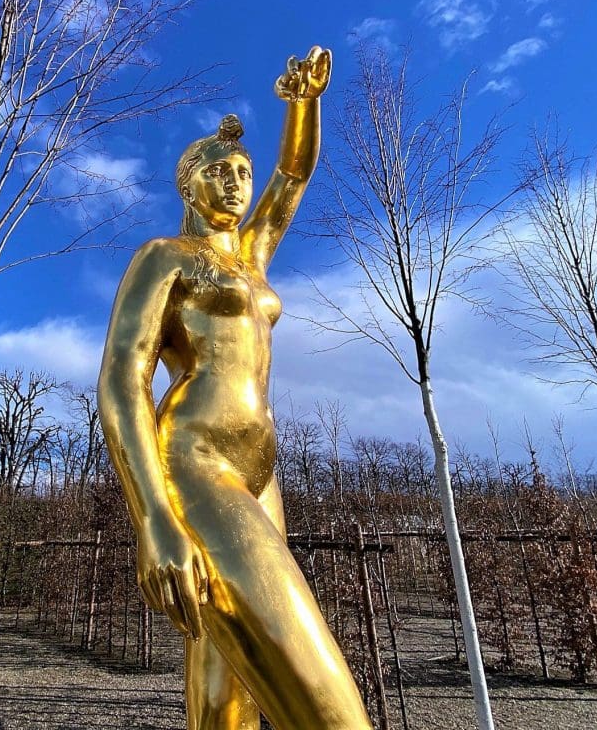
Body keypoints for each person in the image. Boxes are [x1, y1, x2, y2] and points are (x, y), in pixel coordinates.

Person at [98, 46, 373, 730]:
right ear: (187, 186)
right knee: (320, 692)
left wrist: (302, 105)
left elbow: (293, 173)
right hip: (195, 461)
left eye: (241, 172)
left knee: (229, 686)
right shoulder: (164, 257)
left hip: (261, 474)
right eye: (218, 172)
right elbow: (120, 379)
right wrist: (154, 518)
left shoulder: (251, 258)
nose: (236, 181)